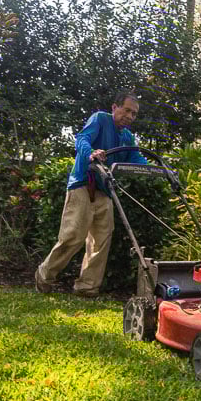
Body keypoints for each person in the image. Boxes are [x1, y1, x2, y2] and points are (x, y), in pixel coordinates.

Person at [35, 91, 148, 296]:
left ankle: (87, 287)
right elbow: (82, 139)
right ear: (114, 107)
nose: (130, 116)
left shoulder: (127, 137)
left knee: (101, 240)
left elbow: (136, 160)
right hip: (82, 184)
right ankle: (44, 275)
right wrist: (91, 153)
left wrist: (158, 169)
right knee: (73, 235)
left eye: (134, 114)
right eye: (127, 110)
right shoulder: (100, 119)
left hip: (105, 190)